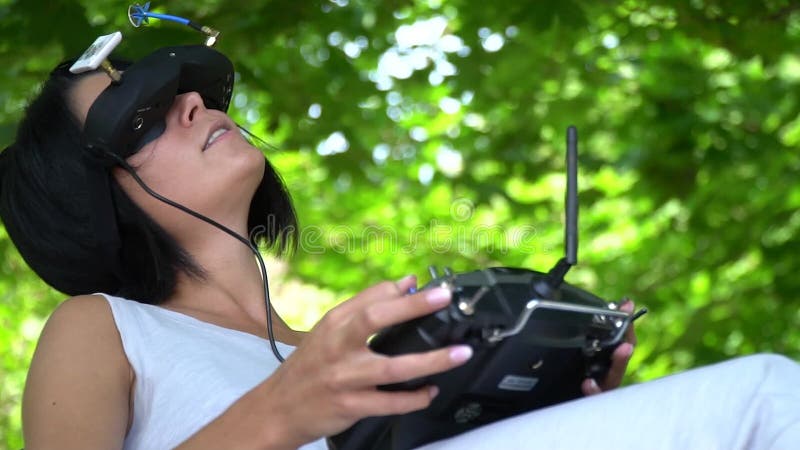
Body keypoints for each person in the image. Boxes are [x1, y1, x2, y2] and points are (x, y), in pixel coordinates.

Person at [1, 51, 798, 450]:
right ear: (86, 198)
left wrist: (540, 395)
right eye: (136, 119)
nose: (192, 103)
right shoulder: (100, 326)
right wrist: (283, 412)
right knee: (767, 397)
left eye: (191, 90)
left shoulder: (340, 364)